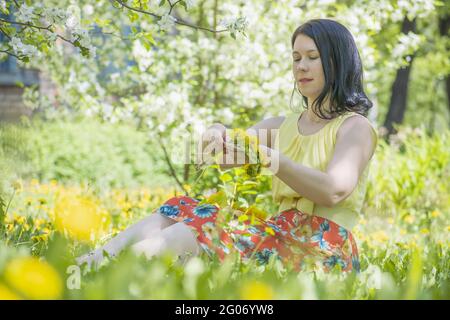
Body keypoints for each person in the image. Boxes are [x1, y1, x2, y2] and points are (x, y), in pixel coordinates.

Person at [76, 18, 378, 273]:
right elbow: (222, 156)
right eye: (296, 58)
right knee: (183, 205)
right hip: (279, 235)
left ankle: (113, 271)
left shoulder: (355, 127)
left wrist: (273, 159)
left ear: (337, 62)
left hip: (321, 251)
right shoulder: (280, 125)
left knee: (209, 222)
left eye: (312, 57)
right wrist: (216, 134)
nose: (301, 66)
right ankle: (96, 262)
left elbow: (333, 190)